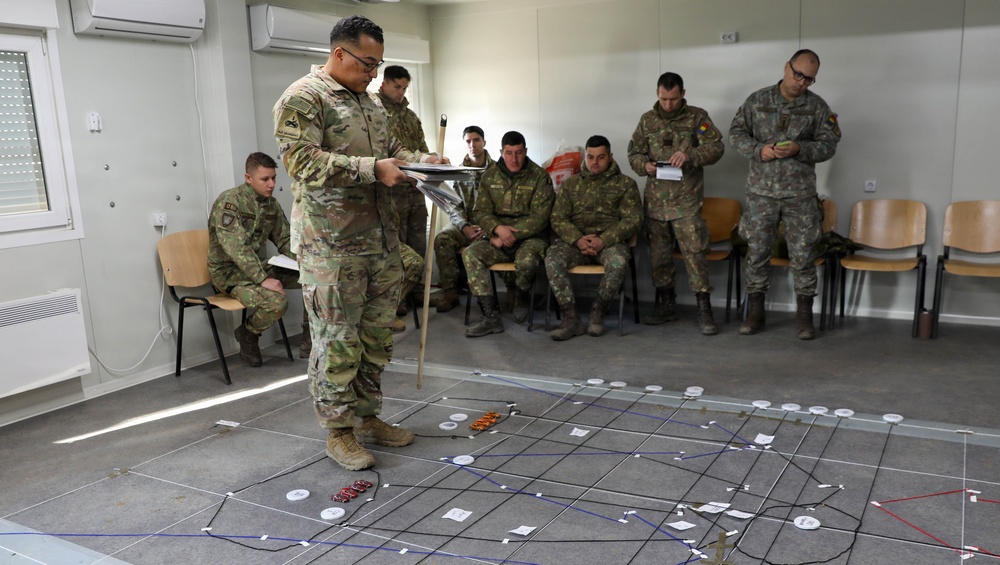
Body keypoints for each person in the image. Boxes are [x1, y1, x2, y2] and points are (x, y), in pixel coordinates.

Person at [272, 15, 441, 471]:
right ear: (340, 53)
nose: (374, 73)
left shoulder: (371, 102)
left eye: (379, 64)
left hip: (379, 241)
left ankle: (367, 418)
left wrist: (427, 162)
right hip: (331, 247)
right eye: (368, 63)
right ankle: (338, 432)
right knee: (336, 342)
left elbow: (392, 154)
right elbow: (302, 162)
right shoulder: (303, 99)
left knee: (375, 339)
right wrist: (372, 170)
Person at [729, 49, 841, 340]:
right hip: (761, 193)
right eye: (798, 74)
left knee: (803, 255)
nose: (801, 82)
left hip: (799, 195)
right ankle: (755, 314)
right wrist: (759, 150)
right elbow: (736, 134)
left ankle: (804, 318)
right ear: (786, 67)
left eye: (809, 79)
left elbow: (828, 145)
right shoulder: (757, 100)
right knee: (757, 253)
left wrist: (800, 149)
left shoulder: (817, 107)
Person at [628, 72, 724, 336]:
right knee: (659, 258)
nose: (667, 105)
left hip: (686, 202)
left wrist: (690, 154)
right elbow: (633, 153)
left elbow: (716, 148)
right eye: (662, 99)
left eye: (672, 99)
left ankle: (704, 310)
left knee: (695, 255)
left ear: (683, 93)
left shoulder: (697, 117)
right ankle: (666, 306)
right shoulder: (647, 120)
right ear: (657, 94)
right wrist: (643, 165)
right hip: (656, 203)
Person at [208, 152, 308, 366]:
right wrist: (263, 279)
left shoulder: (271, 205)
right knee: (276, 302)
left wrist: (308, 261)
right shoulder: (230, 202)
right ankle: (247, 334)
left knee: (313, 279)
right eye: (265, 179)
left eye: (273, 178)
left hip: (255, 269)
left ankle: (311, 342)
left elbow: (285, 240)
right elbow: (236, 248)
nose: (271, 184)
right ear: (248, 178)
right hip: (229, 274)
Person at [544, 136, 642, 340]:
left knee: (618, 262)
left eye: (601, 157)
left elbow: (633, 220)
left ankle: (598, 312)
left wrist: (604, 240)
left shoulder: (625, 184)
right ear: (585, 157)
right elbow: (557, 217)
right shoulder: (571, 185)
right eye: (590, 157)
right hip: (575, 243)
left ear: (610, 157)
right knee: (552, 259)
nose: (595, 162)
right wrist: (578, 239)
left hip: (609, 244)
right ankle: (571, 319)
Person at [462, 130, 554, 337]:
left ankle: (521, 295)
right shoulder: (489, 176)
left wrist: (509, 236)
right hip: (496, 237)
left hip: (530, 239)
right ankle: (490, 317)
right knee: (471, 254)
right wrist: (497, 230)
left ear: (526, 151)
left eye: (519, 153)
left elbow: (541, 217)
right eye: (509, 153)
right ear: (501, 152)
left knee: (528, 260)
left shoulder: (539, 176)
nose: (514, 159)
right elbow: (481, 212)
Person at [432, 125, 494, 313]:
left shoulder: (497, 171)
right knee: (442, 238)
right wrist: (464, 226)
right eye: (468, 141)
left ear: (484, 142)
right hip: (465, 225)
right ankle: (450, 292)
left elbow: (503, 206)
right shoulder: (459, 173)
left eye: (476, 140)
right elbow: (452, 205)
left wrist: (489, 226)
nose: (472, 145)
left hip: (490, 226)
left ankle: (514, 294)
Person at [377, 65, 430, 261]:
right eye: (397, 87)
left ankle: (417, 292)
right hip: (393, 191)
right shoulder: (375, 113)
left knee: (418, 246)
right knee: (396, 249)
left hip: (416, 189)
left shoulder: (411, 117)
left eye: (404, 88)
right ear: (384, 84)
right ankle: (401, 292)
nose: (401, 93)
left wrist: (432, 161)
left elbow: (422, 149)